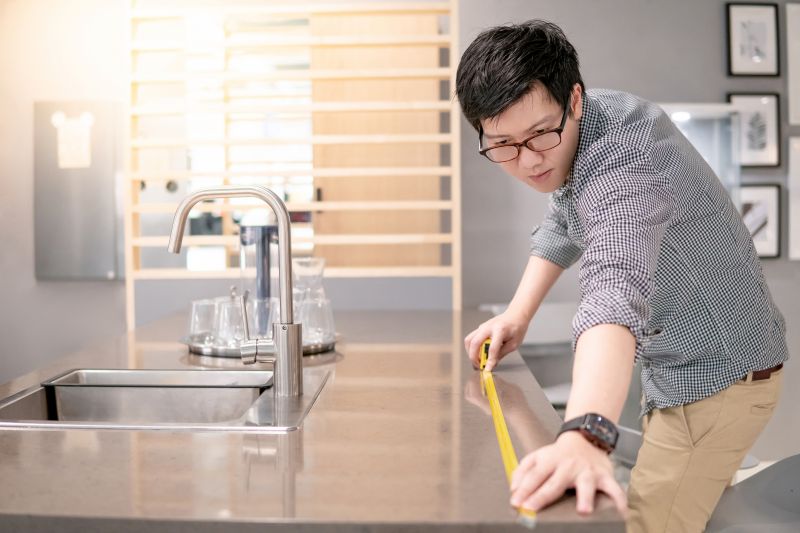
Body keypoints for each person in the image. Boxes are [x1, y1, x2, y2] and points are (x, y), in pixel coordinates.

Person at [457, 19, 788, 533]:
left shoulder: (624, 170)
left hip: (721, 379)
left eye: (540, 134)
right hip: (682, 365)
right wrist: (517, 315)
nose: (526, 161)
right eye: (502, 144)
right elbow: (562, 220)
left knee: (638, 525)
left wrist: (586, 435)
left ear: (574, 100)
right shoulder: (585, 126)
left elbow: (614, 290)